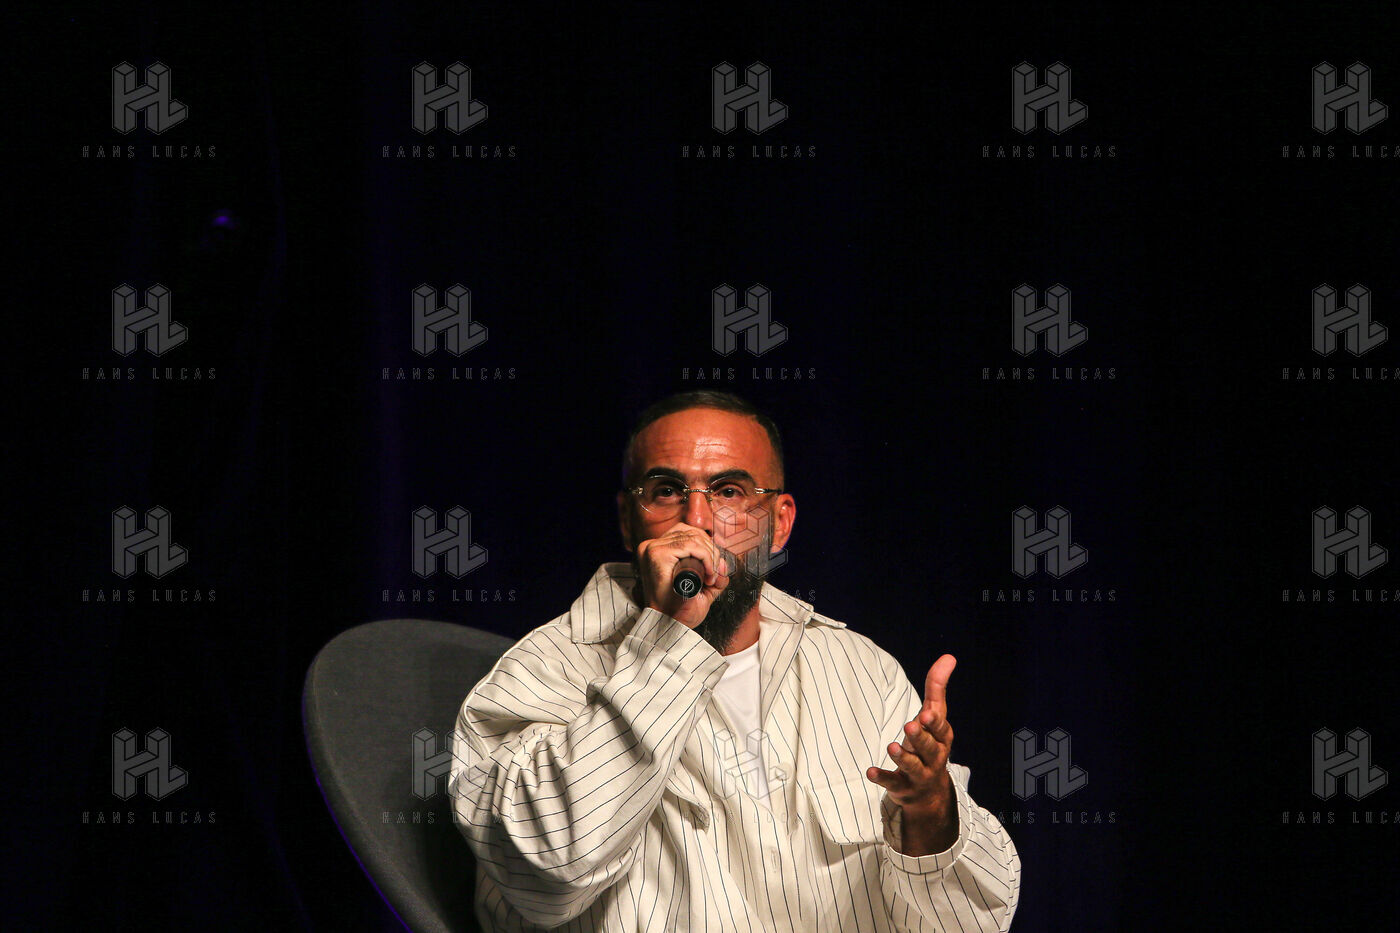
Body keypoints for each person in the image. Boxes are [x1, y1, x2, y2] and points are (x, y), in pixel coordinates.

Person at [449, 391, 1020, 931]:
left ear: (780, 523)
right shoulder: (542, 670)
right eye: (666, 490)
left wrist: (931, 811)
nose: (696, 520)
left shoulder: (861, 671)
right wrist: (668, 636)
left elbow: (973, 921)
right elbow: (545, 878)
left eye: (728, 491)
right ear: (628, 521)